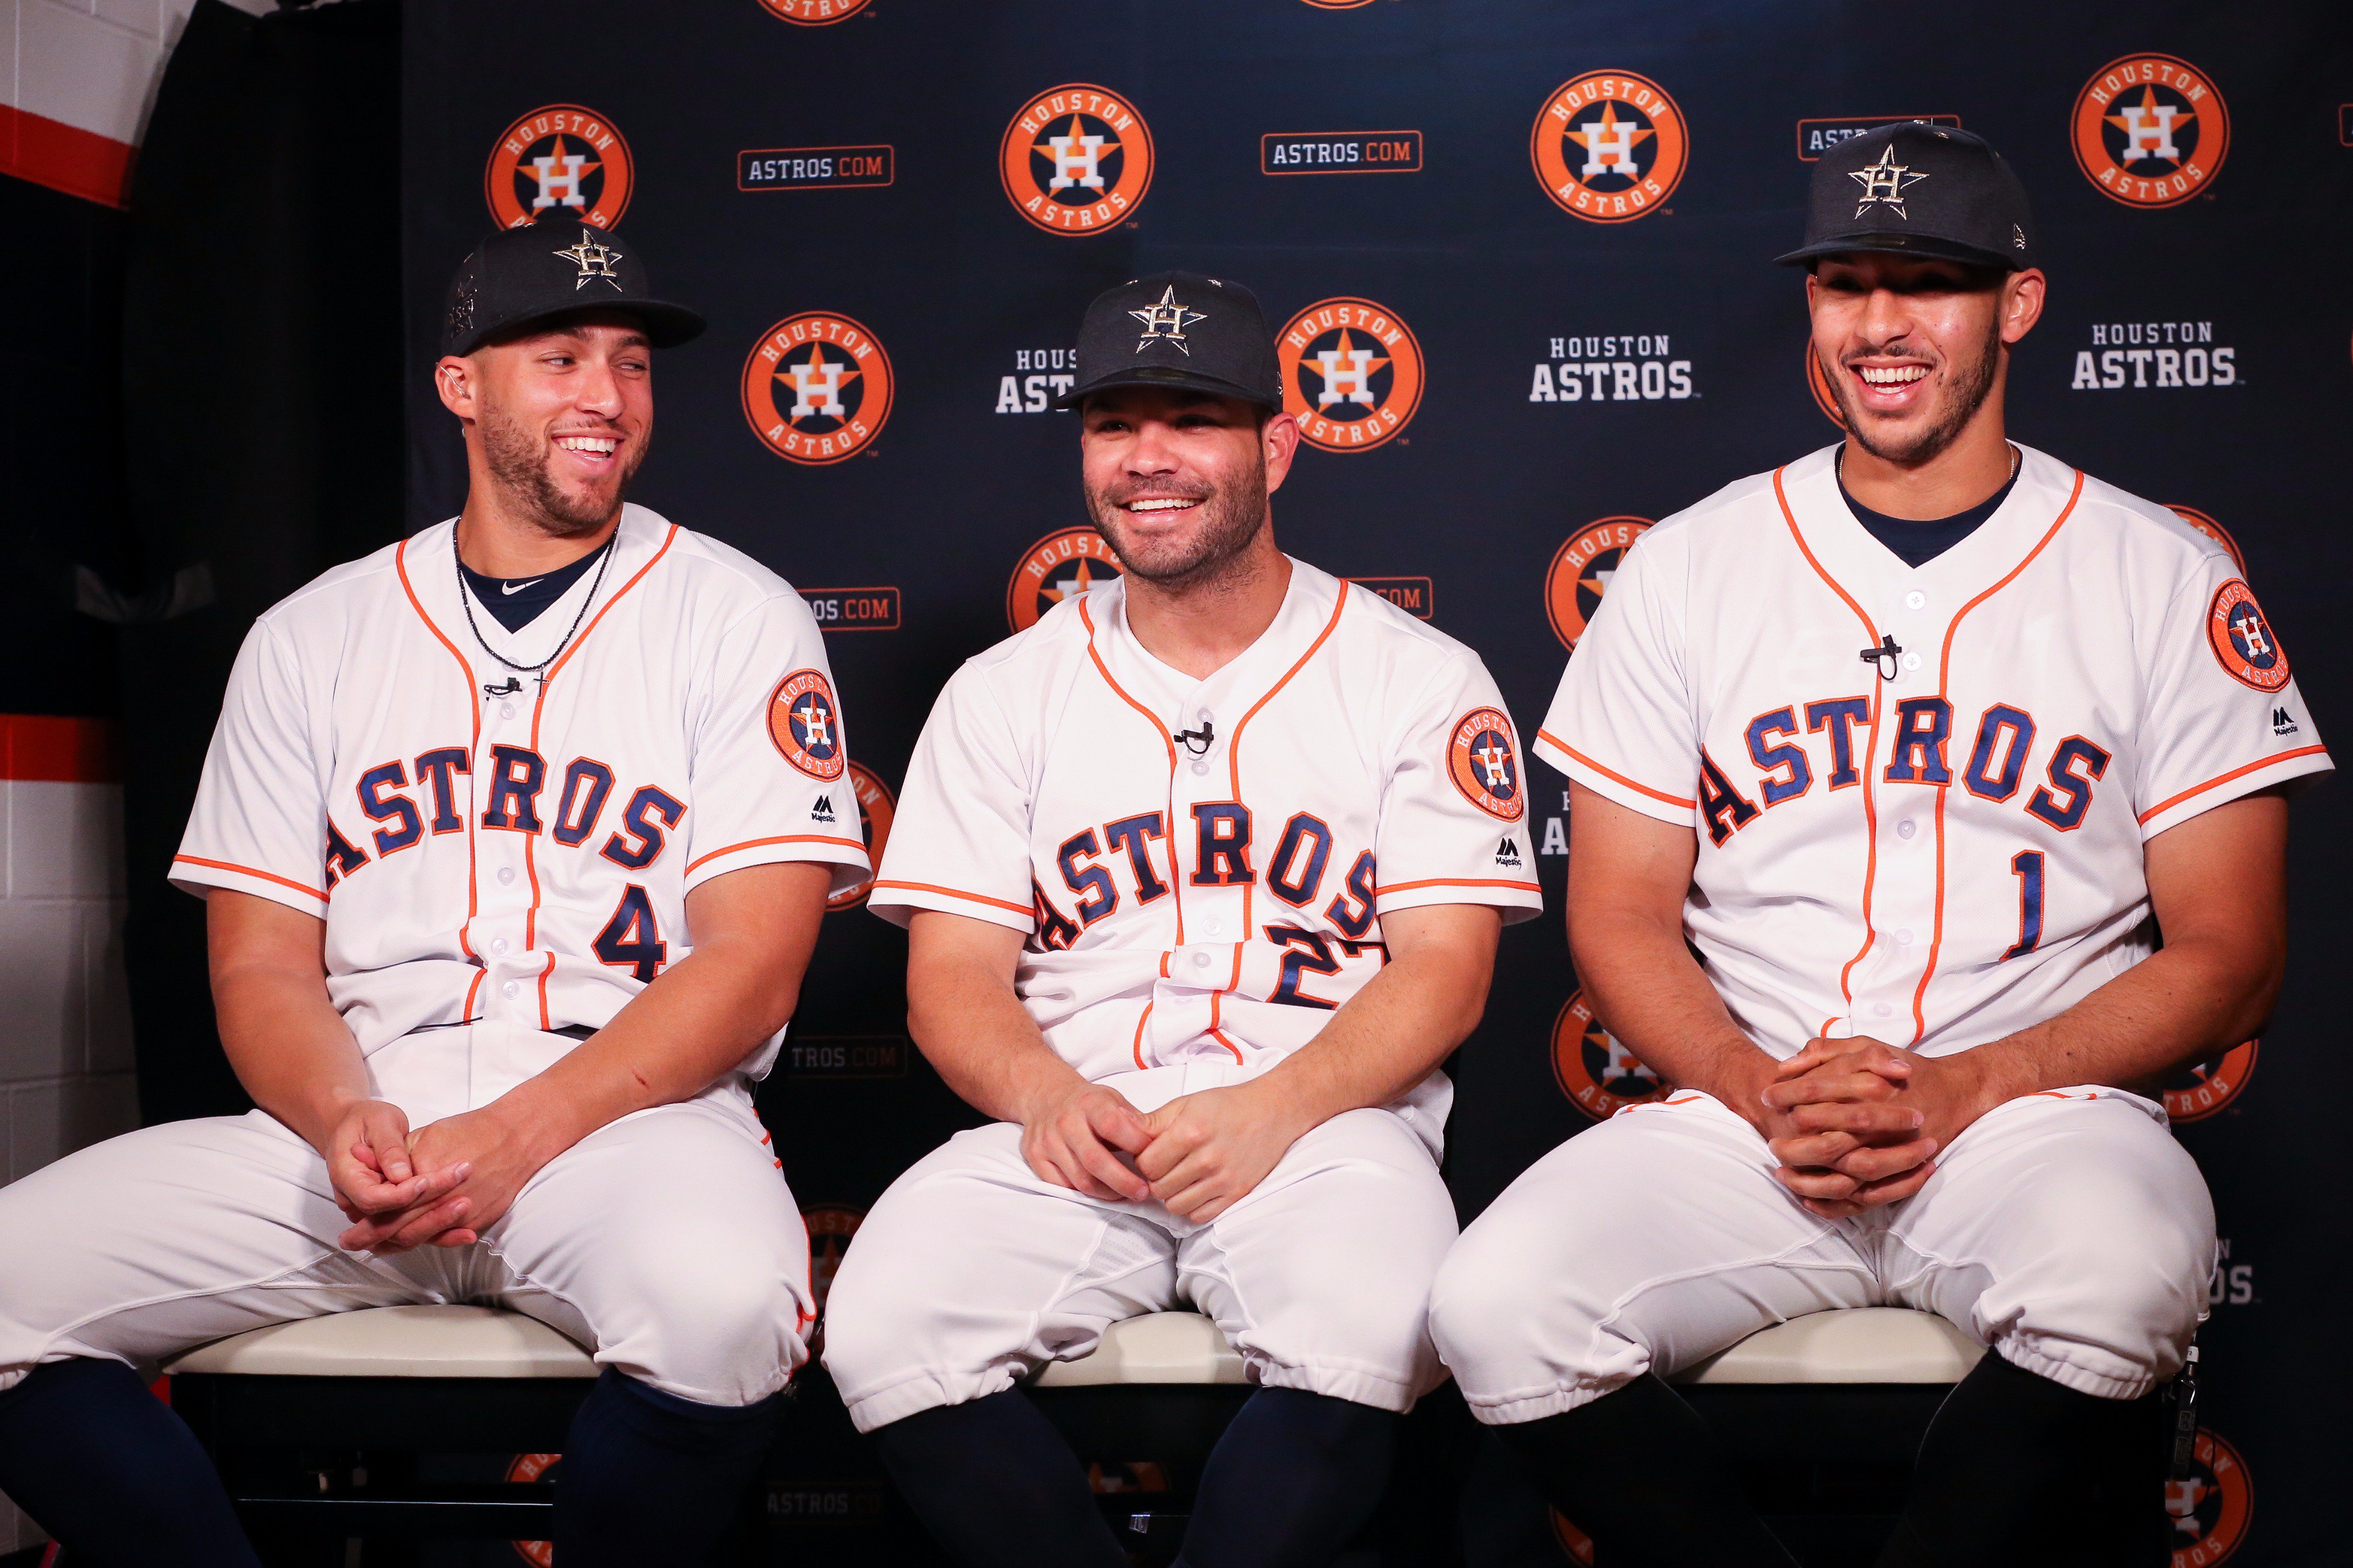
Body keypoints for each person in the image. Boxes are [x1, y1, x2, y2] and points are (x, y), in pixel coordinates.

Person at [1428, 125, 2330, 1565]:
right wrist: (1748, 1083)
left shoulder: (2155, 572)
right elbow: (1617, 913)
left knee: (2115, 1274)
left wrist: (1983, 1080)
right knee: (1495, 1303)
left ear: (2015, 306)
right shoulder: (1689, 566)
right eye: (1845, 283)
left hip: (2034, 1110)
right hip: (1751, 1119)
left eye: (1929, 281)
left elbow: (2233, 953)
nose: (1880, 326)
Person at [0, 221, 869, 1565]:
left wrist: (520, 1134)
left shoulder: (730, 613)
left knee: (723, 1305)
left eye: (631, 364)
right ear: (461, 387)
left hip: (618, 1122)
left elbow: (752, 962)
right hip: (357, 1123)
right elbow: (261, 970)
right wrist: (346, 1113)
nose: (606, 396)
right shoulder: (313, 635)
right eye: (559, 356)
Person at [821, 272, 1542, 1567]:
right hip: (1073, 1124)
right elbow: (953, 981)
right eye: (1113, 424)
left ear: (1275, 441)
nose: (1147, 460)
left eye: (1192, 419)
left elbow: (1444, 972)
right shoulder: (1003, 694)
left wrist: (1276, 1106)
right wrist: (1044, 1101)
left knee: (1372, 1323)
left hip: (1322, 1127)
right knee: (879, 1329)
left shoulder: (1414, 677)